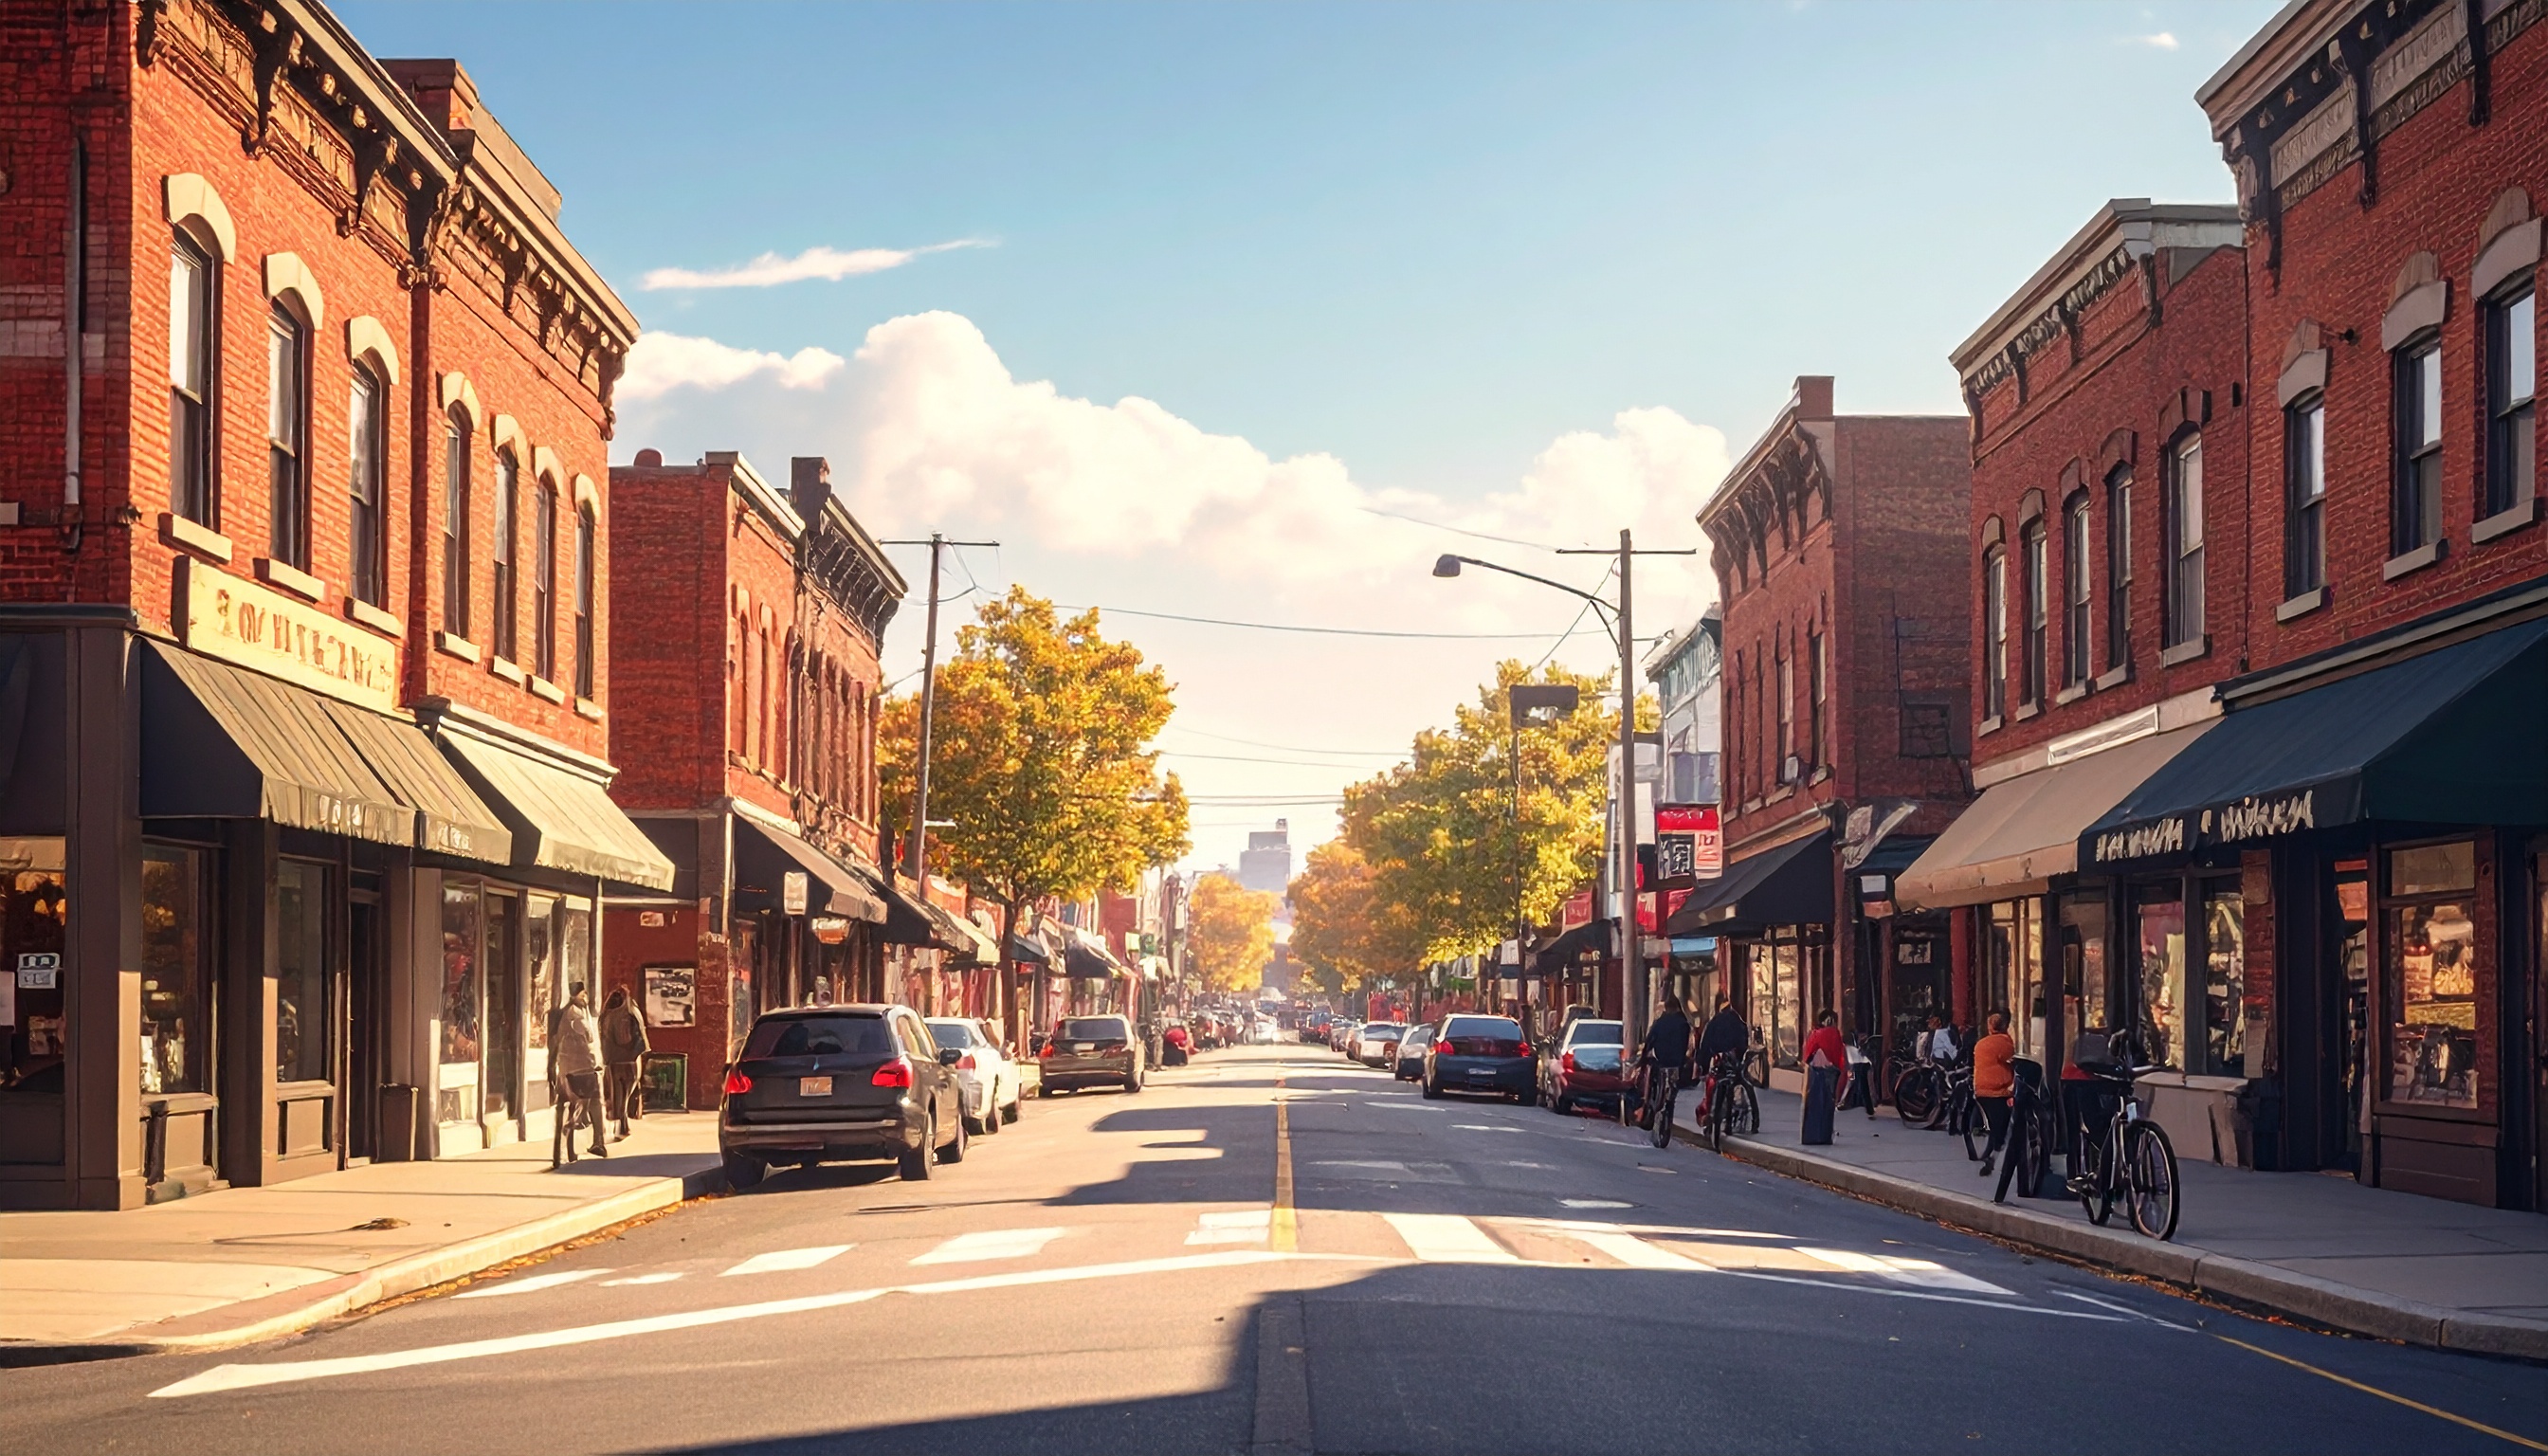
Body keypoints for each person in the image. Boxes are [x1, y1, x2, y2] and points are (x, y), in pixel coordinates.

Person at [552, 982, 609, 1162]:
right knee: (592, 1104)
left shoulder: (572, 1014)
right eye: (582, 994)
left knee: (575, 1106)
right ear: (575, 995)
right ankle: (597, 1141)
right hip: (581, 1068)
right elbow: (588, 1041)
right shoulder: (575, 1016)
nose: (585, 997)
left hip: (568, 1068)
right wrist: (596, 1063)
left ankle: (570, 1147)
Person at [599, 986, 649, 1141]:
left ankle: (621, 1125)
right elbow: (640, 1038)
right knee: (626, 1095)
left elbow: (604, 1041)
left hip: (613, 1063)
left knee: (617, 1095)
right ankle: (623, 1125)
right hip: (630, 1062)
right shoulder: (630, 1013)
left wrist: (607, 1059)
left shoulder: (605, 1017)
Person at [1971, 1010, 2016, 1178]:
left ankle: (1990, 1151)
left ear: (1990, 1027)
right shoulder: (2004, 1043)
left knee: (1994, 1123)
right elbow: (2011, 1058)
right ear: (2006, 1026)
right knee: (2002, 1127)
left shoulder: (1981, 1044)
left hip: (1981, 1089)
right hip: (1999, 1091)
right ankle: (1994, 1155)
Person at [1691, 994, 1749, 1119]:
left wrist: (1701, 1065)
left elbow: (1705, 1046)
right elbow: (1744, 1044)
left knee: (1712, 1083)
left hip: (1718, 1063)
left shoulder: (1714, 1023)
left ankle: (1710, 1112)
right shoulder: (1739, 1022)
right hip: (1734, 1065)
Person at [1799, 1010, 1847, 1145]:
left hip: (1816, 1073)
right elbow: (1838, 1055)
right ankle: (1823, 1135)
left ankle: (1813, 1136)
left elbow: (1807, 1056)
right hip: (1828, 1072)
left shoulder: (1814, 1034)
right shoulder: (1830, 1033)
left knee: (1815, 1105)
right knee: (1826, 1104)